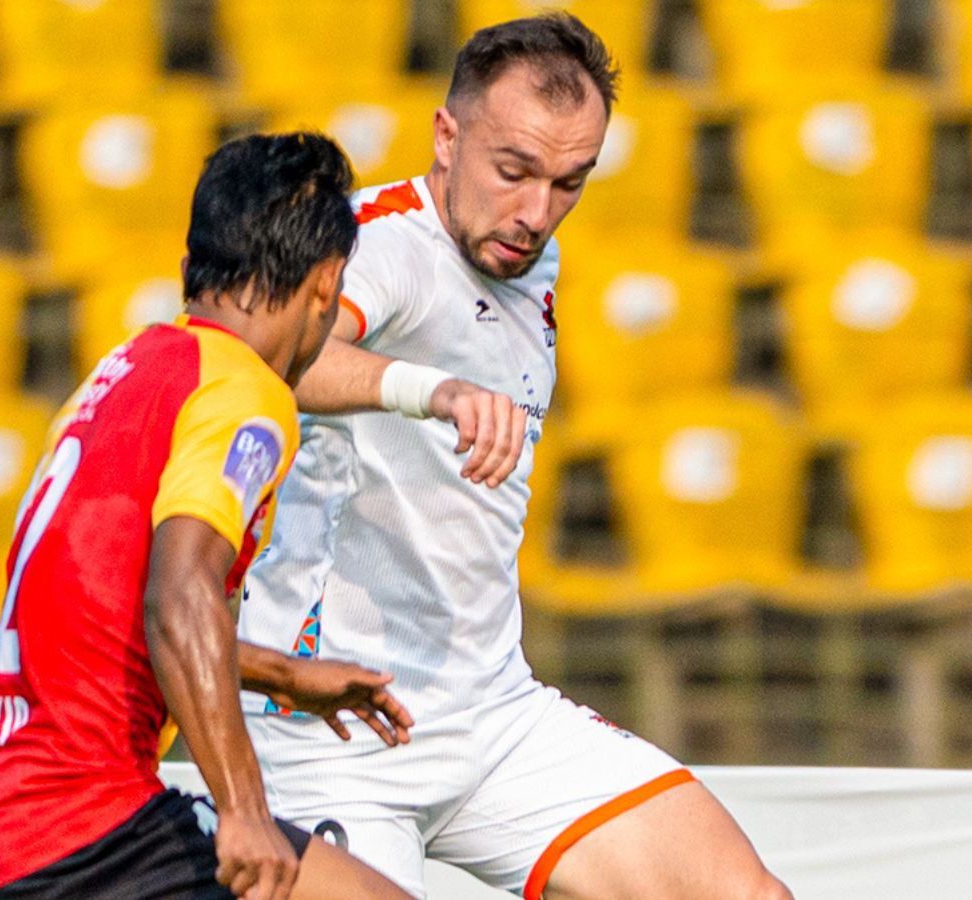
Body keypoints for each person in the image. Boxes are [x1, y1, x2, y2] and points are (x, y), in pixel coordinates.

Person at [239, 14, 792, 900]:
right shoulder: (379, 246)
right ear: (446, 136)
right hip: (332, 736)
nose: (536, 212)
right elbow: (277, 361)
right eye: (514, 171)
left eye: (569, 182)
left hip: (491, 716)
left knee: (741, 894)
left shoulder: (530, 257)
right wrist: (432, 390)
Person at [0, 133, 412, 900]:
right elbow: (181, 591)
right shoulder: (244, 392)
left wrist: (283, 674)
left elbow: (108, 606)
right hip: (79, 817)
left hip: (2, 802)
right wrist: (243, 809)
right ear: (328, 282)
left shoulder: (130, 368)